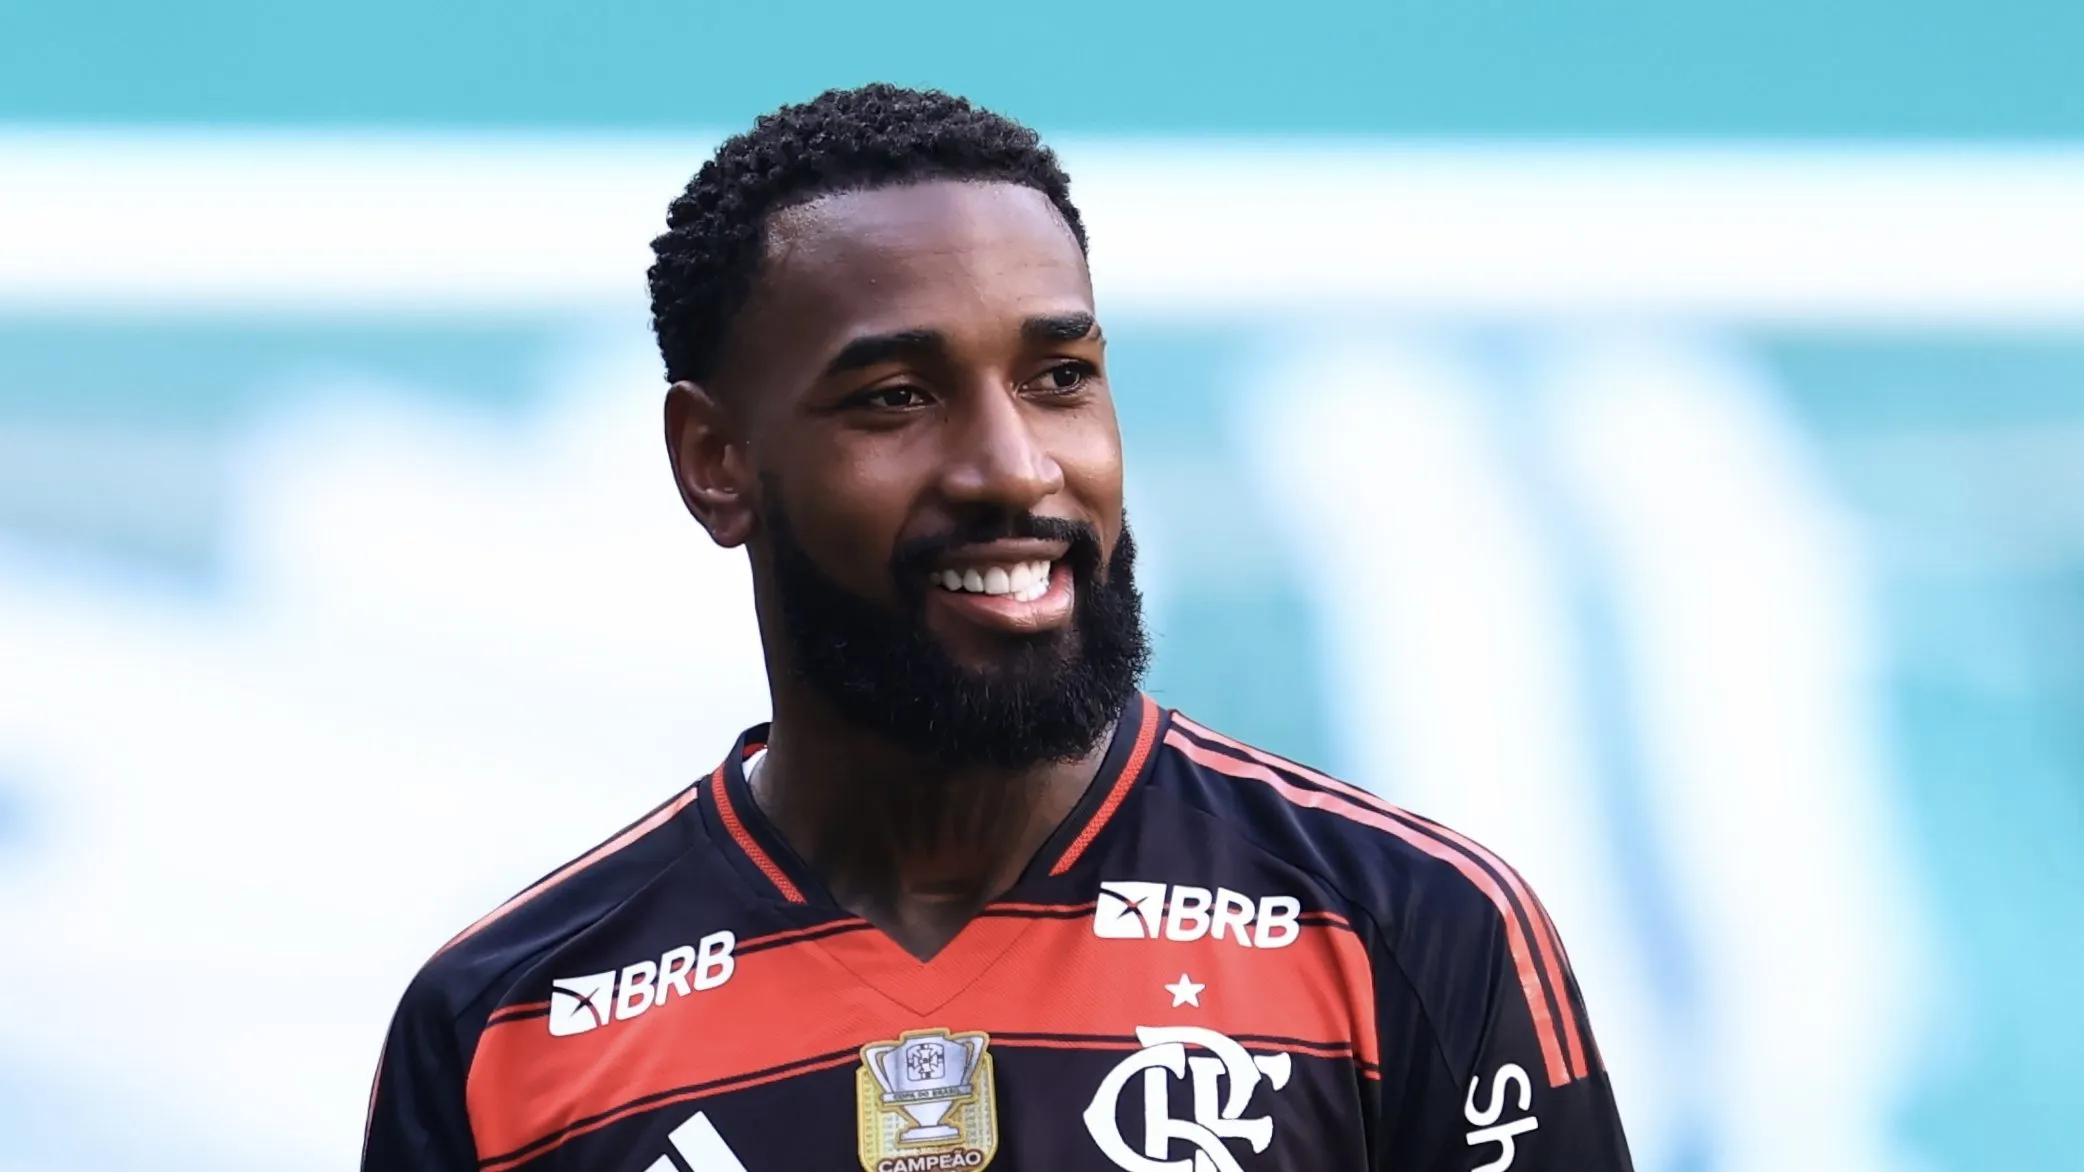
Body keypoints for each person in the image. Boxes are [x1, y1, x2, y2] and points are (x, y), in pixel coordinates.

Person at [360, 83, 1634, 1172]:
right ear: (714, 461)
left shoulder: (1408, 930)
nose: (1015, 468)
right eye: (898, 396)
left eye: (1058, 377)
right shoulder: (502, 1027)